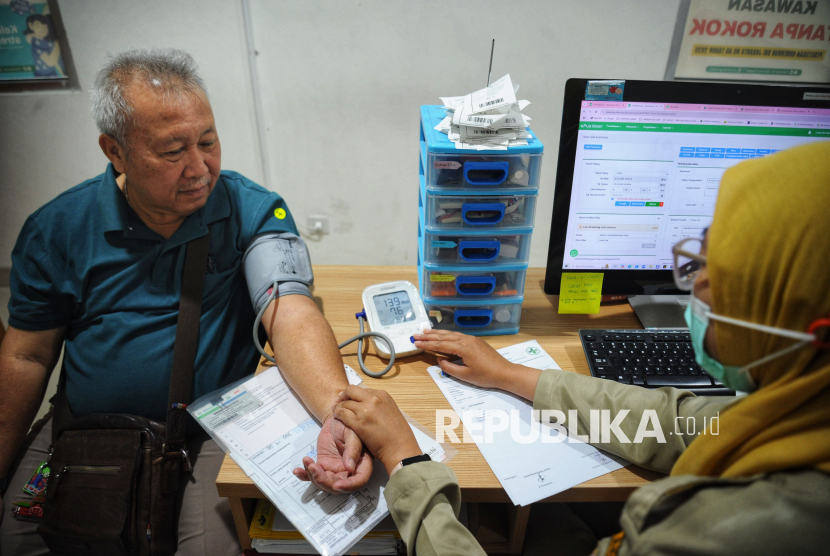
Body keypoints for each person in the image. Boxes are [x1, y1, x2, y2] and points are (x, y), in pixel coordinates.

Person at [334, 142, 830, 555]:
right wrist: (512, 375)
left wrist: (406, 462)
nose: (695, 286)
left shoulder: (732, 530)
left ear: (811, 329)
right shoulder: (803, 416)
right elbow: (685, 423)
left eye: (720, 273)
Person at [0, 48, 371, 555]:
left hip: (211, 430)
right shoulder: (57, 229)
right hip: (87, 430)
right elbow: (26, 355)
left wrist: (335, 409)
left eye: (208, 141)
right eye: (173, 151)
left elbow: (289, 310)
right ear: (116, 151)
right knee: (17, 542)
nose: (200, 168)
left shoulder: (252, 210)